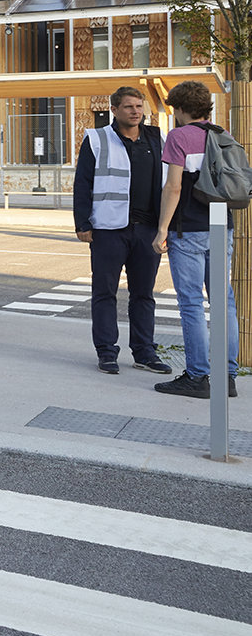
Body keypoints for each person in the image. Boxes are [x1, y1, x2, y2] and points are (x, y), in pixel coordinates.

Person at [72, 85, 170, 376]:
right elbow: (83, 183)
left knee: (144, 294)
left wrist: (167, 228)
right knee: (105, 293)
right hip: (108, 229)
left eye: (139, 107)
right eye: (129, 107)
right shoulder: (97, 138)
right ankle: (106, 352)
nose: (136, 112)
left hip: (147, 229)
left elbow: (168, 183)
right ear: (114, 110)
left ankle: (144, 352)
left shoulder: (156, 137)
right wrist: (82, 223)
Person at [152, 80, 240, 399]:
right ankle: (227, 376)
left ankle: (197, 376)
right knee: (223, 300)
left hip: (188, 228)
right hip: (222, 226)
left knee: (191, 301)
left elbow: (173, 188)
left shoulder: (179, 136)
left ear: (180, 109)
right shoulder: (223, 134)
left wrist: (162, 229)